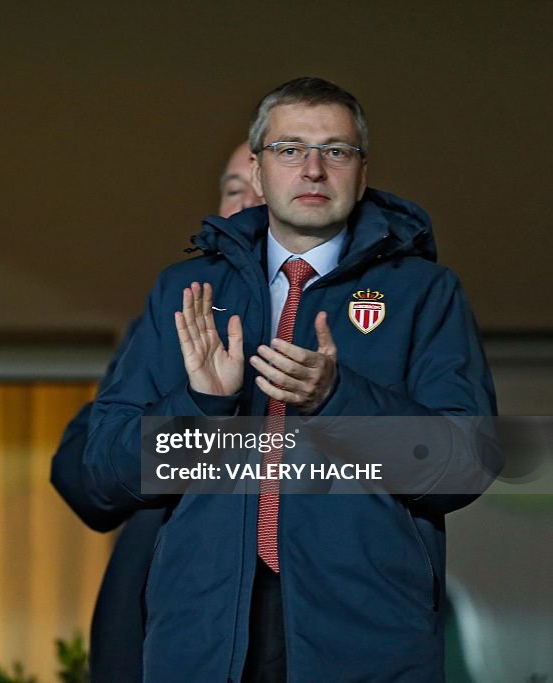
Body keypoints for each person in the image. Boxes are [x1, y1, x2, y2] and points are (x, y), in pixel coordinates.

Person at [83, 77, 498, 681]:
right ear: (256, 168)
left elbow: (466, 463)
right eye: (289, 150)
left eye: (336, 151)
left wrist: (338, 399)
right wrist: (201, 405)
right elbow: (104, 471)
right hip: (204, 630)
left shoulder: (425, 294)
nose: (313, 169)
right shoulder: (185, 291)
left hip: (364, 633)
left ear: (361, 169)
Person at [50, 141, 261, 683]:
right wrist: (200, 410)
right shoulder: (179, 303)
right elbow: (81, 472)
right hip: (151, 619)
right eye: (235, 190)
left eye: (264, 187)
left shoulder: (356, 306)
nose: (248, 204)